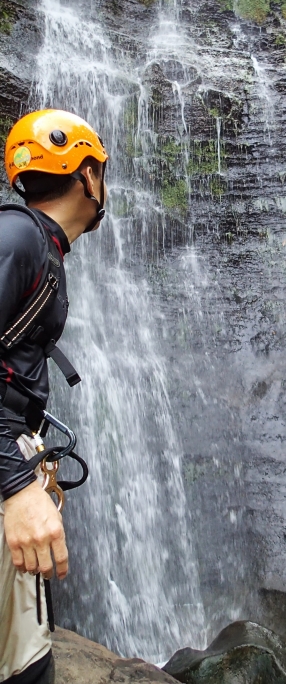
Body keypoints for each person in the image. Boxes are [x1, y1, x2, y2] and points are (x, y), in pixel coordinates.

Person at [0, 109, 108, 684]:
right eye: (102, 172)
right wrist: (16, 486)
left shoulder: (35, 245)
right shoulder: (16, 235)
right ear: (87, 177)